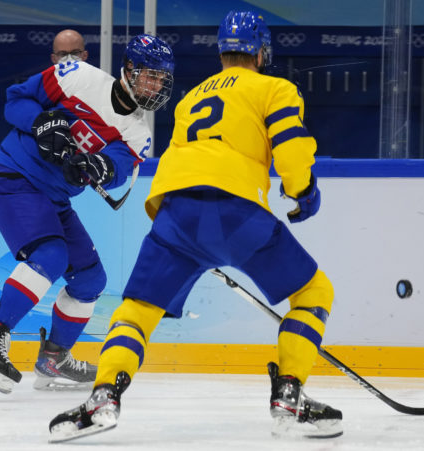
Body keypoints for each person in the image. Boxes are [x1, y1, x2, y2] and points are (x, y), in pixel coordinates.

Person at [48, 10, 342, 443]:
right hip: (237, 212)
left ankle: (103, 396)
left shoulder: (191, 98)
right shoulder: (275, 87)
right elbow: (290, 145)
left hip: (177, 214)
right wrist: (304, 192)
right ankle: (290, 394)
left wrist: (201, 241)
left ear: (222, 51)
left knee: (138, 311)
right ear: (262, 51)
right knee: (315, 292)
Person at [0, 34, 175, 394]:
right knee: (51, 255)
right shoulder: (78, 75)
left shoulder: (138, 133)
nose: (156, 85)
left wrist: (97, 166)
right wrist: (43, 121)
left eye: (162, 79)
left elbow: (117, 170)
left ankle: (53, 357)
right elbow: (15, 101)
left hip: (53, 199)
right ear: (129, 69)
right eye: (150, 75)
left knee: (90, 279)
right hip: (13, 179)